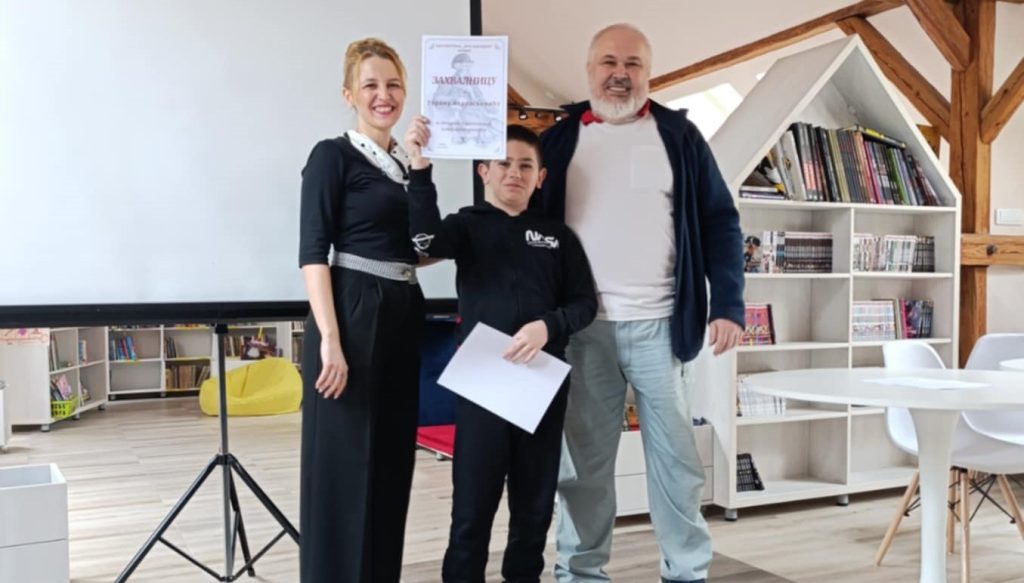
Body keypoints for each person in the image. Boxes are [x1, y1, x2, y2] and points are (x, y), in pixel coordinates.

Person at [532, 23, 746, 583]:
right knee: (583, 467)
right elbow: (525, 229)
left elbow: (721, 222)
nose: (620, 74)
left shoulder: (681, 136)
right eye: (609, 62)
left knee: (677, 465)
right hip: (582, 331)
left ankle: (686, 573)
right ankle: (580, 573)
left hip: (662, 328)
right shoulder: (557, 142)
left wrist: (728, 303)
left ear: (649, 73)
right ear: (589, 70)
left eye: (633, 64)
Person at [403, 121, 597, 582]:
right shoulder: (466, 225)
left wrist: (547, 326)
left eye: (526, 165)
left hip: (541, 382)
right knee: (473, 506)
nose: (514, 172)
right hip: (483, 384)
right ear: (483, 171)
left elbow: (584, 303)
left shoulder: (558, 237)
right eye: (504, 163)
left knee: (534, 507)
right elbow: (423, 241)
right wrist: (420, 168)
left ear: (541, 177)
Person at [297, 37, 423, 583]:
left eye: (393, 84)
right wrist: (331, 338)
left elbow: (417, 247)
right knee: (345, 467)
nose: (383, 94)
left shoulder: (406, 164)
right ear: (349, 94)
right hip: (351, 312)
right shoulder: (332, 155)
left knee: (392, 462)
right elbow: (312, 252)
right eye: (370, 84)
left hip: (403, 310)